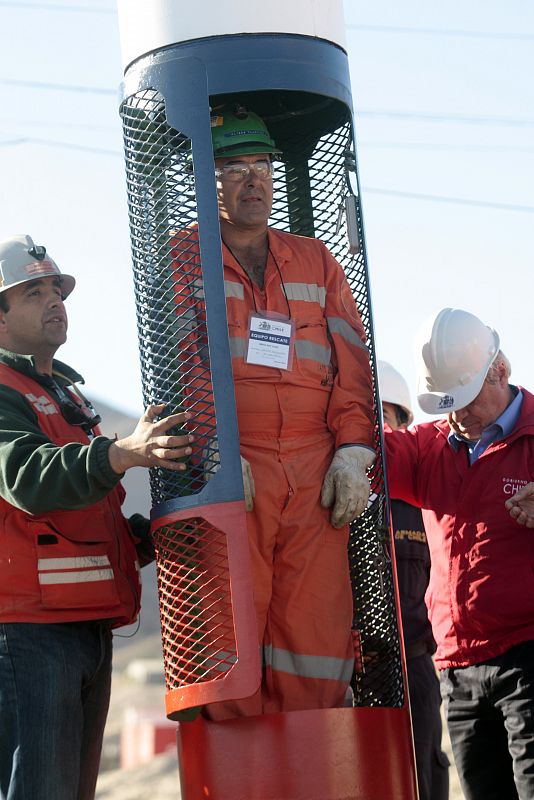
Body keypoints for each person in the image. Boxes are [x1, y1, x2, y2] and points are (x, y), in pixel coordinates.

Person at [172, 105, 375, 719]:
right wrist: (217, 447)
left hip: (317, 468)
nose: (253, 180)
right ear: (207, 179)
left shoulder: (315, 261)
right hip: (239, 464)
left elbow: (352, 364)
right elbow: (180, 363)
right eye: (234, 167)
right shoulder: (184, 259)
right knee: (232, 616)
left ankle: (313, 748)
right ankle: (239, 757)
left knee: (314, 625)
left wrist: (353, 451)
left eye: (261, 165)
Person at [0, 234, 193, 800]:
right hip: (28, 635)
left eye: (56, 291)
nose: (54, 301)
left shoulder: (67, 396)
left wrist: (150, 538)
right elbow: (28, 478)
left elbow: (80, 523)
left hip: (83, 629)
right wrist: (122, 453)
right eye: (33, 292)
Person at [383, 307, 534, 800]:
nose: (456, 417)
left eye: (465, 401)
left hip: (527, 661)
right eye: (446, 405)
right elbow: (370, 454)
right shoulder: (429, 448)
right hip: (458, 673)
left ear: (500, 371)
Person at [378, 360, 449, 800]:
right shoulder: (323, 499)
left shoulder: (427, 500)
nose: (379, 431)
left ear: (404, 424)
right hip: (349, 671)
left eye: (385, 416)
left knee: (423, 779)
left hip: (416, 670)